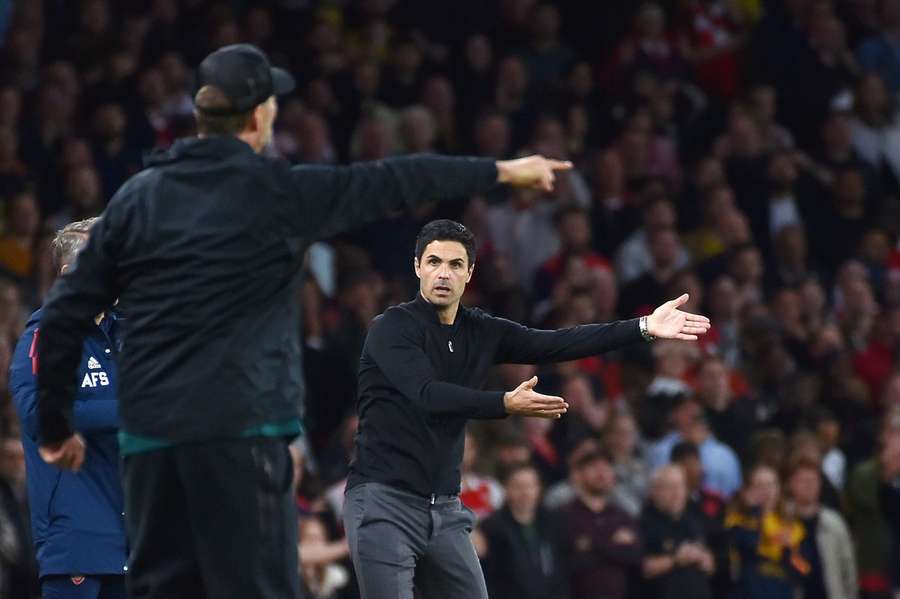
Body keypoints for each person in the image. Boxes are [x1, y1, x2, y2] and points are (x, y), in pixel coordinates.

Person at [30, 44, 573, 599]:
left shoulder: (137, 200)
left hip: (151, 443)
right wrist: (501, 169)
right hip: (241, 434)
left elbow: (68, 308)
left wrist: (53, 423)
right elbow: (393, 179)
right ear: (258, 115)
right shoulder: (278, 193)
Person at [344, 218, 710, 599]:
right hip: (383, 501)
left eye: (455, 265)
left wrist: (644, 326)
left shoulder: (480, 330)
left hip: (445, 509)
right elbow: (427, 394)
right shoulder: (392, 329)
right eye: (434, 261)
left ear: (469, 273)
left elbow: (554, 344)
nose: (443, 273)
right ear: (417, 266)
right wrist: (504, 403)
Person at [9, 218, 126, 599]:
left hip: (133, 535)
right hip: (76, 537)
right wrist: (126, 412)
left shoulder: (125, 334)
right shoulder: (46, 336)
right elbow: (38, 414)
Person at [562, 447, 643, 599]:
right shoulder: (565, 515)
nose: (602, 474)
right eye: (594, 468)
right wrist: (613, 544)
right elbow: (572, 561)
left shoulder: (622, 515)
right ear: (578, 475)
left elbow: (635, 556)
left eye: (606, 468)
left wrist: (591, 544)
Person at [479, 462, 569, 599]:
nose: (525, 492)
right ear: (506, 489)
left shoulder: (553, 521)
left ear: (539, 488)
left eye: (530, 486)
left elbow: (561, 569)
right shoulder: (492, 527)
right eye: (518, 487)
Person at [639, 465, 715, 599]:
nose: (677, 493)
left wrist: (704, 559)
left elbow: (711, 567)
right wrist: (675, 559)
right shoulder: (644, 523)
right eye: (670, 487)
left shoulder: (694, 519)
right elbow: (642, 568)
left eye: (681, 487)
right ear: (655, 491)